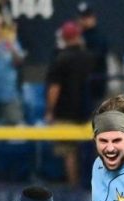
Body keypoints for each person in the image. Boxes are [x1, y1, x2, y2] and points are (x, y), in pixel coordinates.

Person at [44, 20, 96, 187]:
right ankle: (93, 188)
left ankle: (74, 189)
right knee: (92, 151)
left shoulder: (61, 59)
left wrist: (50, 111)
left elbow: (54, 89)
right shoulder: (89, 57)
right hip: (89, 112)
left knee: (69, 153)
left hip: (65, 112)